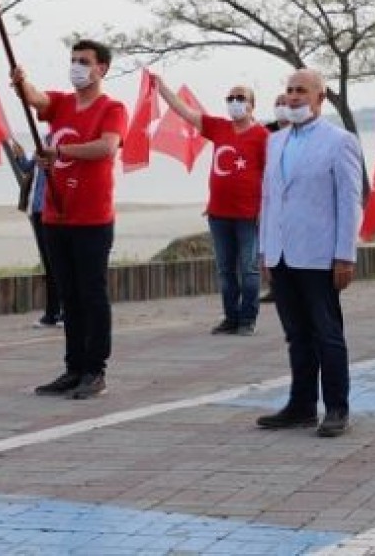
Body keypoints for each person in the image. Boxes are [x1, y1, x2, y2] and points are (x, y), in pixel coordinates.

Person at [14, 40, 127, 401]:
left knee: (92, 294)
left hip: (92, 217)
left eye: (84, 61)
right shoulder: (62, 103)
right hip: (55, 214)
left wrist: (60, 151)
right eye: (73, 60)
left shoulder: (112, 108)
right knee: (68, 296)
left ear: (101, 68)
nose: (77, 66)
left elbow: (107, 147)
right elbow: (36, 99)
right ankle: (73, 367)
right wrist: (22, 83)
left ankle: (95, 370)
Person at [255, 69, 362, 438]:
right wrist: (264, 249)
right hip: (281, 252)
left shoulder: (340, 141)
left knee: (326, 333)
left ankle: (336, 407)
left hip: (319, 254)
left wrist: (345, 254)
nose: (294, 97)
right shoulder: (276, 140)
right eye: (289, 90)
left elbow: (349, 202)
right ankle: (301, 405)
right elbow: (269, 197)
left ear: (320, 97)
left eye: (302, 90)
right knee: (296, 334)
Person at [154, 75, 269, 335]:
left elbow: (270, 175)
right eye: (230, 98)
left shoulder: (262, 136)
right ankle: (230, 318)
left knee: (249, 269)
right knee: (225, 270)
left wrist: (264, 210)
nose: (235, 102)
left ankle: (247, 319)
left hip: (248, 215)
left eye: (240, 98)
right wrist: (161, 88)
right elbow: (183, 111)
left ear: (252, 105)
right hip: (218, 214)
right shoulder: (218, 127)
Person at [10, 140, 62, 328]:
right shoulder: (46, 139)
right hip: (38, 210)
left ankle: (63, 312)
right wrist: (20, 156)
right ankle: (52, 313)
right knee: (49, 264)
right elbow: (29, 168)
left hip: (54, 210)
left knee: (58, 264)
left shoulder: (61, 139)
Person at [259, 93, 291, 304]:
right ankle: (274, 287)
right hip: (269, 194)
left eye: (284, 103)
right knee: (270, 243)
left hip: (291, 196)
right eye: (277, 103)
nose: (280, 107)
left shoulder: (298, 132)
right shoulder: (266, 132)